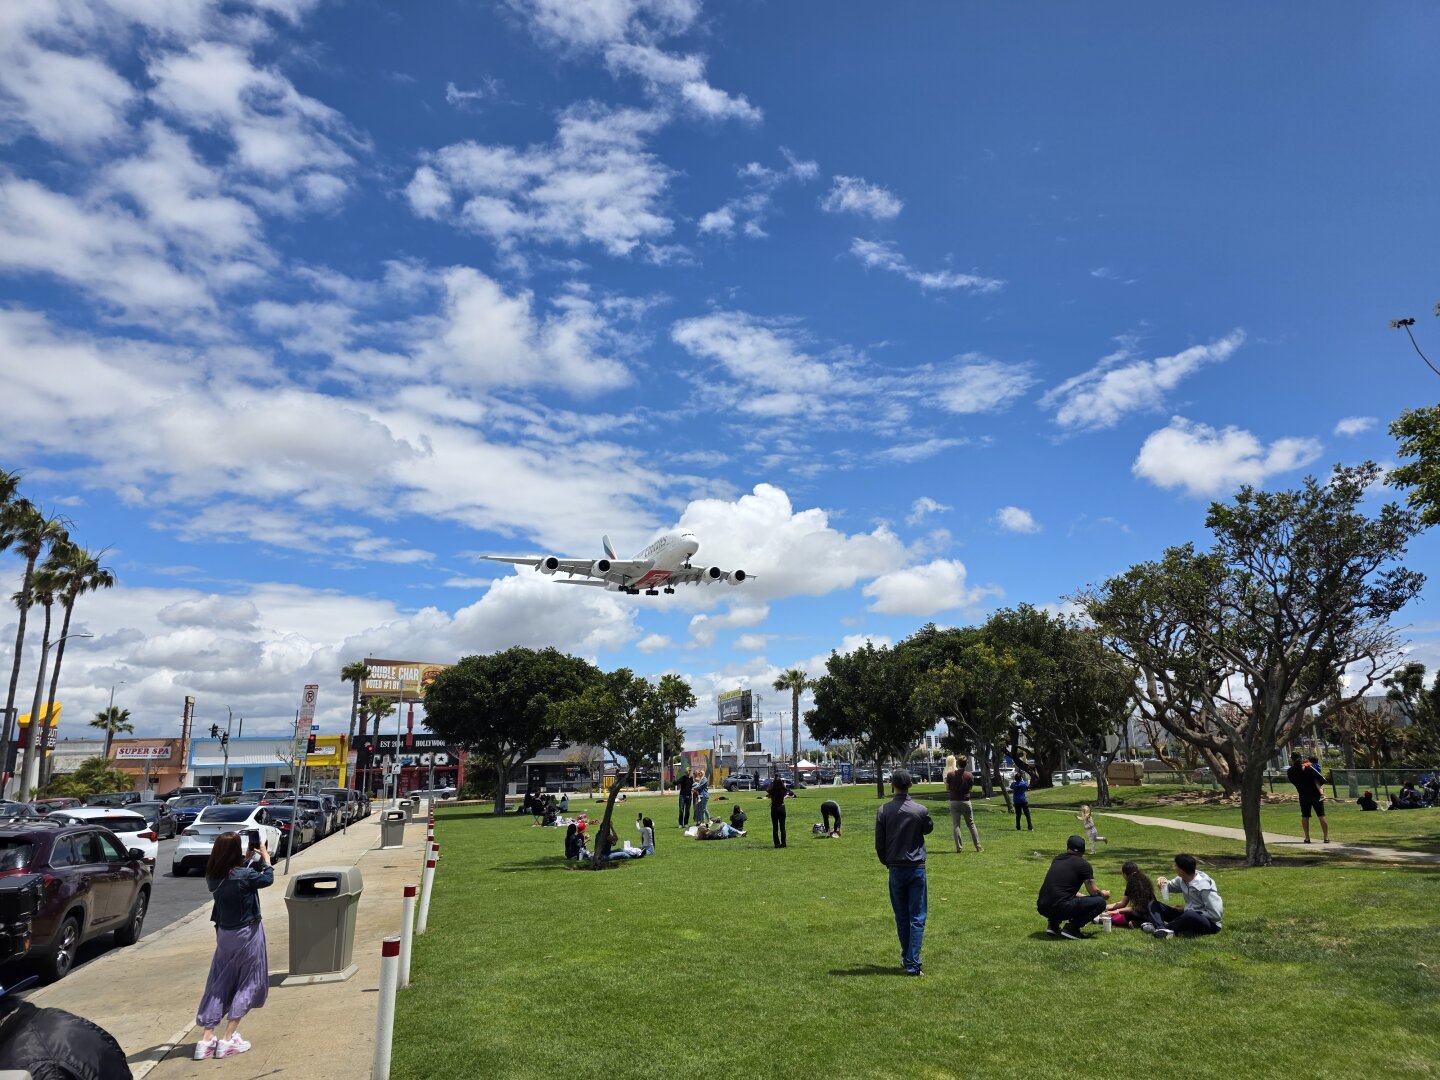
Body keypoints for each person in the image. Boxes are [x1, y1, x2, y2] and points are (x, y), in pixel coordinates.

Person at [194, 831, 273, 1060]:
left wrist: (247, 860)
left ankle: (206, 1039)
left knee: (219, 981)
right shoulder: (244, 875)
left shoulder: (213, 876)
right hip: (247, 933)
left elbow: (234, 877)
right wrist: (265, 859)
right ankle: (228, 1039)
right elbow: (266, 879)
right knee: (248, 982)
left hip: (224, 934)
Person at [875, 768, 933, 976]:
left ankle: (907, 956)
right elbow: (928, 829)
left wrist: (887, 862)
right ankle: (912, 962)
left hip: (896, 868)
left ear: (892, 784)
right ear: (910, 785)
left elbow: (879, 844)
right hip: (916, 868)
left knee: (901, 916)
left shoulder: (883, 811)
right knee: (917, 916)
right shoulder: (920, 810)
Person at [1035, 835, 1109, 940]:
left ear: (1068, 847)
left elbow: (1063, 890)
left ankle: (1053, 925)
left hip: (1042, 906)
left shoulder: (1057, 859)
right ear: (1083, 850)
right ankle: (1072, 928)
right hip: (1060, 907)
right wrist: (1104, 894)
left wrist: (1083, 898)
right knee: (1100, 902)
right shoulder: (1083, 865)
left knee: (1059, 897)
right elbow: (1093, 892)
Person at [1143, 853, 1223, 939]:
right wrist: (1163, 881)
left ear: (1181, 871)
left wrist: (1189, 910)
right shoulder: (1182, 879)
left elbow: (1216, 915)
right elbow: (1170, 887)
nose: (1174, 867)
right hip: (1188, 915)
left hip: (1210, 924)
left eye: (1175, 866)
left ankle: (1165, 928)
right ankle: (1161, 928)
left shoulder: (1205, 887)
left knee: (1190, 915)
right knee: (1153, 904)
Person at [1285, 751, 1330, 843]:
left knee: (1305, 816)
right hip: (1315, 795)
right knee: (1321, 815)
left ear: (1291, 759)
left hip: (1303, 795)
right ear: (1300, 758)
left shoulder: (1290, 771)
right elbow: (1322, 778)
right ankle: (1326, 838)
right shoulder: (1308, 768)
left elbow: (1293, 781)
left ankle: (1307, 838)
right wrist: (1317, 785)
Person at [944, 755, 983, 853]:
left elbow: (947, 788)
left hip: (954, 801)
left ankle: (959, 848)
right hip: (965, 801)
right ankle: (978, 846)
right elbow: (970, 788)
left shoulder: (950, 775)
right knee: (971, 824)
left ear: (957, 763)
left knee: (956, 825)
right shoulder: (970, 775)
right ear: (966, 764)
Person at [1104, 861, 1156, 928]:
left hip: (1141, 913)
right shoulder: (1145, 879)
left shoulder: (1131, 882)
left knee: (1120, 915)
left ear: (1125, 874)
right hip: (1154, 912)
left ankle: (1101, 919)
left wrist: (1117, 911)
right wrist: (1105, 907)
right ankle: (1140, 923)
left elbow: (1125, 905)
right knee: (1125, 913)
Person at [767, 773, 789, 848]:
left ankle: (777, 844)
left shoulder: (772, 788)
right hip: (781, 807)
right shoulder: (782, 789)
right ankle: (784, 843)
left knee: (775, 827)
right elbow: (786, 791)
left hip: (774, 808)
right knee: (782, 827)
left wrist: (772, 783)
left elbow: (768, 791)